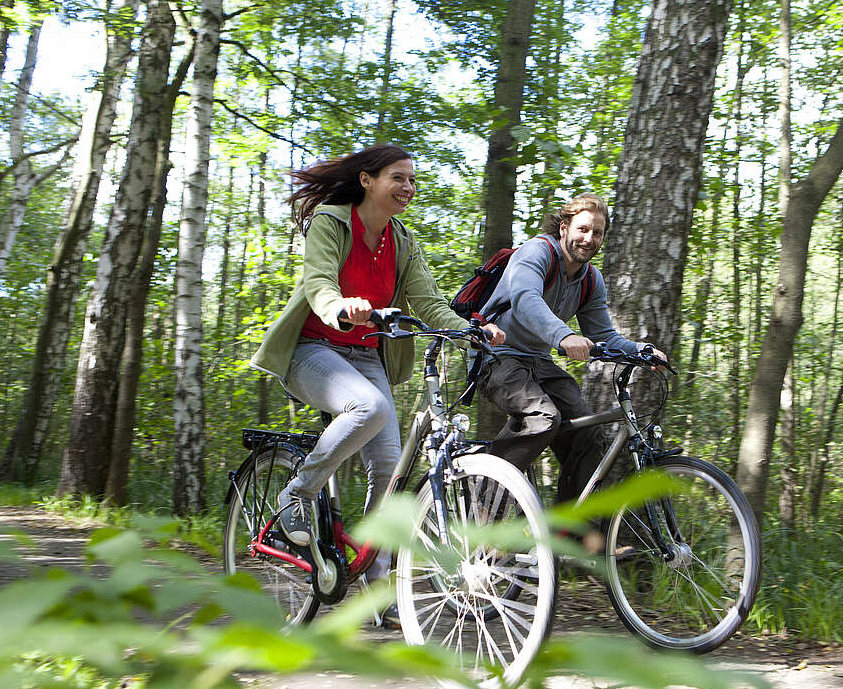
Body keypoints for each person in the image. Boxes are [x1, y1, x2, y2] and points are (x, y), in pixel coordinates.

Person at [250, 144, 504, 563]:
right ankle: (296, 494)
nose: (408, 187)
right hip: (312, 349)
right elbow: (318, 282)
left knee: (390, 471)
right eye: (398, 178)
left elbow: (431, 303)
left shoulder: (402, 241)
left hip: (367, 358)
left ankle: (375, 583)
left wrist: (470, 330)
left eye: (412, 180)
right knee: (369, 408)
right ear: (367, 180)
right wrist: (340, 307)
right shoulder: (331, 223)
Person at [476, 193, 665, 507]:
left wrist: (640, 350)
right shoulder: (536, 252)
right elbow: (526, 300)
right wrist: (563, 336)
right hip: (496, 355)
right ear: (564, 228)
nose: (589, 239)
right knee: (542, 417)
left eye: (598, 233)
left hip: (536, 361)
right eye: (583, 229)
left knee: (589, 435)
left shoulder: (590, 280)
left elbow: (603, 336)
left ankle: (571, 539)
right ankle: (486, 503)